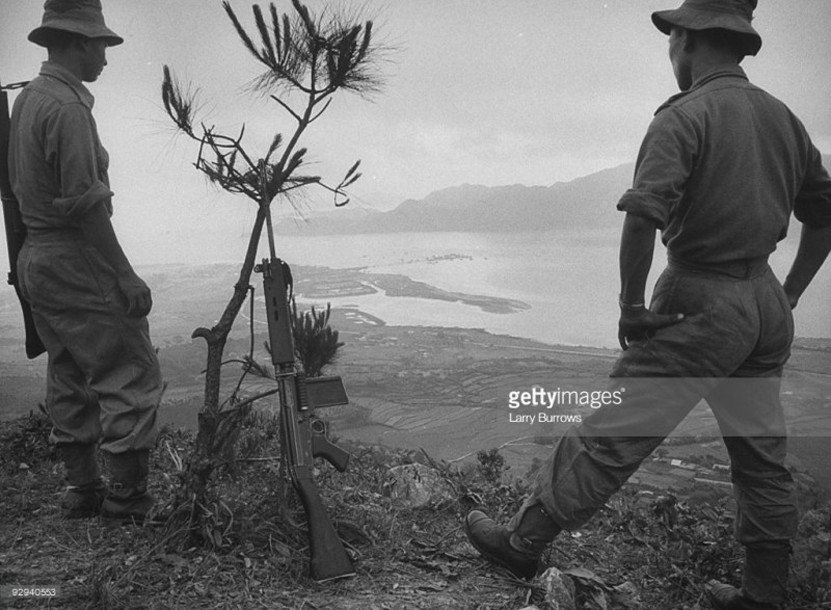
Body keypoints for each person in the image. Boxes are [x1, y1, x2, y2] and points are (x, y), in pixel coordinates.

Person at [464, 1, 831, 608]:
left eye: (674, 37)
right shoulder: (784, 119)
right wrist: (787, 296)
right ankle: (764, 595)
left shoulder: (685, 116)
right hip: (763, 302)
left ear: (686, 39)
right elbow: (823, 213)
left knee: (615, 429)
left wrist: (630, 305)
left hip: (699, 302)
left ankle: (523, 543)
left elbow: (643, 214)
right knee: (762, 455)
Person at [9, 0, 164, 523]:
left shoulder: (30, 98)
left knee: (69, 370)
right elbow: (86, 204)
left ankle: (82, 490)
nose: (105, 55)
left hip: (37, 260)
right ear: (77, 42)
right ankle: (126, 500)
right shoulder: (68, 109)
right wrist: (124, 275)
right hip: (74, 257)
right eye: (99, 44)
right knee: (129, 370)